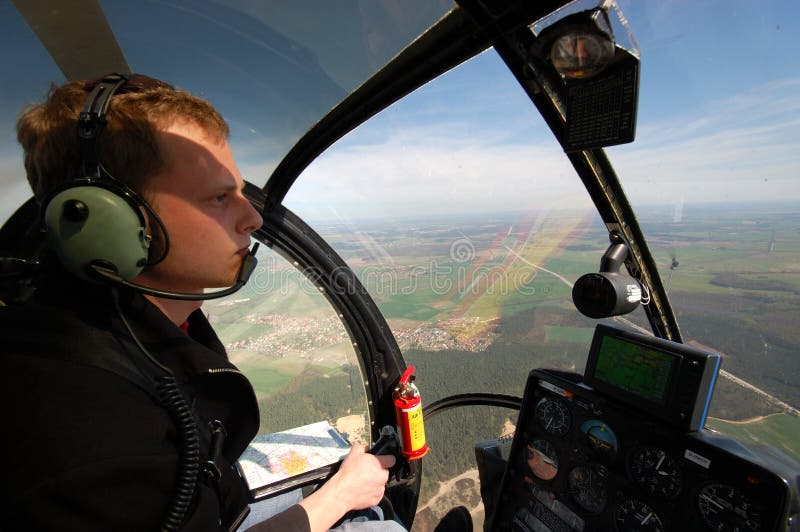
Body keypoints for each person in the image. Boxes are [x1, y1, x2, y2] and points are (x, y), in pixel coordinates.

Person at [1, 74, 399, 531]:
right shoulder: (91, 434)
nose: (252, 218)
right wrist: (337, 497)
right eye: (218, 197)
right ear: (109, 220)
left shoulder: (124, 323)